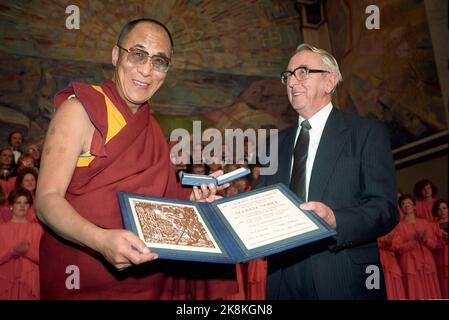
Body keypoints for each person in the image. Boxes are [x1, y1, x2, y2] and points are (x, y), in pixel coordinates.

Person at [36, 18, 237, 299]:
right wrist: (100, 240)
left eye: (159, 61)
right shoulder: (81, 110)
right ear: (116, 55)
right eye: (138, 55)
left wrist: (192, 200)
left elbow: (156, 200)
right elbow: (46, 200)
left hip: (148, 280)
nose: (146, 71)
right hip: (82, 278)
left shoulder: (150, 126)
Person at [257, 43, 399, 299]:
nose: (291, 81)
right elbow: (259, 203)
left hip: (343, 275)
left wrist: (336, 220)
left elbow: (384, 210)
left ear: (330, 81)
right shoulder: (273, 145)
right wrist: (219, 204)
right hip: (282, 279)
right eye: (287, 75)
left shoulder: (366, 133)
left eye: (302, 72)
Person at [395, 195, 441, 299]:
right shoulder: (399, 226)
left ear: (414, 206)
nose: (406, 205)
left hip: (427, 263)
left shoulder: (425, 222)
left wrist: (424, 240)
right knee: (414, 291)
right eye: (403, 204)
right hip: (410, 264)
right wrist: (414, 241)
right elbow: (399, 249)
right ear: (401, 208)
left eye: (409, 203)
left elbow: (434, 245)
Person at [0, 188, 43, 299]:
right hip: (6, 279)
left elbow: (43, 257)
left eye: (25, 203)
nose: (22, 206)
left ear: (29, 206)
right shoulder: (1, 229)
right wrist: (13, 251)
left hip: (30, 281)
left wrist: (27, 251)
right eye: (18, 202)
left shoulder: (37, 229)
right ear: (11, 205)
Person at [431, 199, 448, 299]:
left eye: (444, 208)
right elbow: (433, 243)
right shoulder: (433, 226)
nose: (442, 211)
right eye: (439, 209)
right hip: (441, 255)